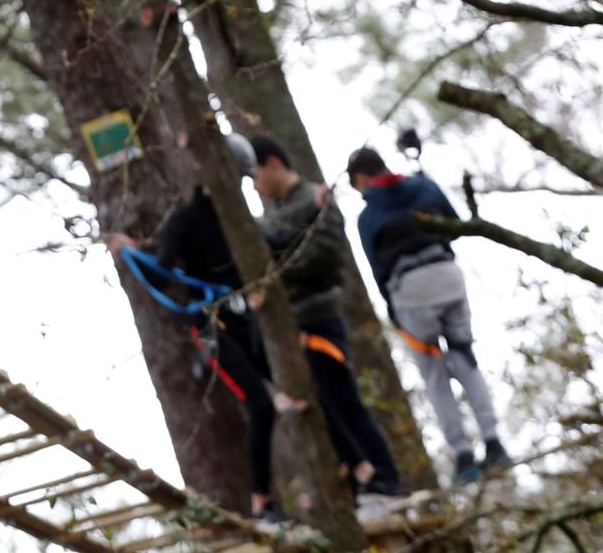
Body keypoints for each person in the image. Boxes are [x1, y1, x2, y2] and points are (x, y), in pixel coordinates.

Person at [106, 133, 284, 526]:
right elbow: (165, 262)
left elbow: (167, 259)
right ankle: (262, 506)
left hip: (240, 319)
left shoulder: (225, 221)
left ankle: (279, 500)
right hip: (210, 326)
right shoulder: (196, 219)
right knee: (262, 404)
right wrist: (133, 251)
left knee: (287, 396)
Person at [249, 134, 409, 506]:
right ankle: (360, 482)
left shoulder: (316, 200)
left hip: (320, 317)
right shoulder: (282, 210)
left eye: (255, 174)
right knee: (320, 404)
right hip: (293, 325)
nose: (255, 184)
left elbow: (318, 257)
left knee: (342, 399)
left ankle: (384, 479)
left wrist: (275, 268)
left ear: (273, 162)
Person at [347, 147, 509, 485]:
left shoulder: (367, 217)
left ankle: (464, 457)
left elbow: (379, 273)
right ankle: (494, 443)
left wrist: (395, 314)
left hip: (410, 292)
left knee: (435, 375)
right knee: (465, 358)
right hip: (446, 275)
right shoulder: (425, 187)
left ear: (361, 179)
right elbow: (454, 226)